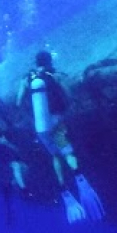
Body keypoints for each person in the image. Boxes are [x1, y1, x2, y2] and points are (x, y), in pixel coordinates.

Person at [16, 50, 105, 223]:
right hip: (56, 123)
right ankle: (79, 177)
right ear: (48, 61)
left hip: (40, 127)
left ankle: (64, 189)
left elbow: (19, 102)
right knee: (67, 152)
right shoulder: (53, 75)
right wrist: (66, 110)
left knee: (55, 156)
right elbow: (68, 94)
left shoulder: (26, 79)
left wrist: (32, 118)